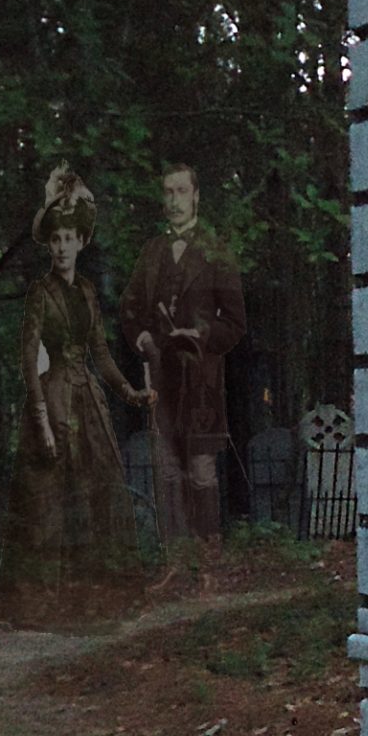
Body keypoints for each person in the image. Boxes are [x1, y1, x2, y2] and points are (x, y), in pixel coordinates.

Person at [0, 174, 155, 624]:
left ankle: (98, 601)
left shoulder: (86, 291)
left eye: (70, 238)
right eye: (56, 239)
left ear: (81, 242)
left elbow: (100, 352)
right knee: (47, 503)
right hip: (53, 401)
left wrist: (128, 391)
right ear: (49, 246)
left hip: (89, 401)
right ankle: (39, 607)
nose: (62, 246)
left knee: (99, 496)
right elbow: (30, 360)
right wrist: (42, 421)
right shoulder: (40, 294)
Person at [119, 163, 245, 541]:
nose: (174, 201)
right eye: (168, 193)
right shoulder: (152, 252)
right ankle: (176, 563)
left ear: (196, 197)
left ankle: (208, 561)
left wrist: (200, 334)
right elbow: (129, 308)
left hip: (201, 381)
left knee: (202, 469)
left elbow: (236, 324)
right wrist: (142, 337)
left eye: (181, 192)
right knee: (166, 468)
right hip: (160, 378)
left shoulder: (216, 250)